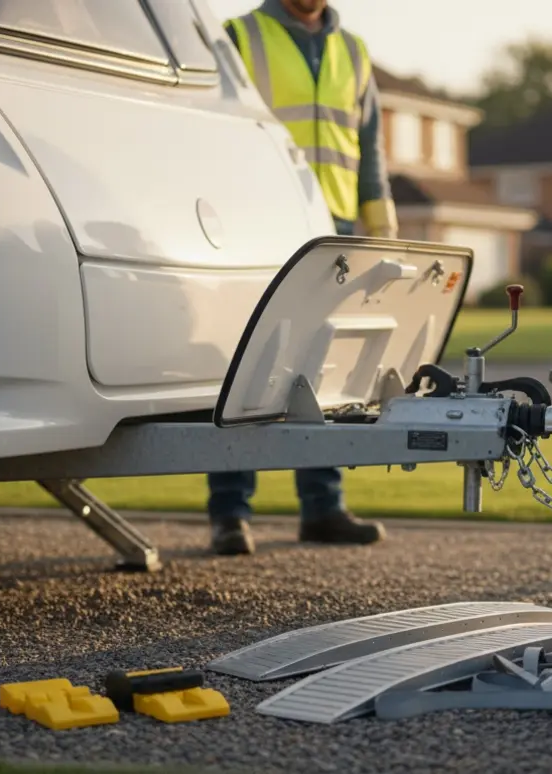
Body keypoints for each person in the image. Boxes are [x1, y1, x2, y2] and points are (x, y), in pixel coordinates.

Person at [207, 0, 397, 556]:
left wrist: (379, 234)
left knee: (326, 370)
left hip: (333, 229)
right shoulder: (239, 37)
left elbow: (369, 154)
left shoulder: (354, 52)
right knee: (246, 367)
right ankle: (229, 515)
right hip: (259, 219)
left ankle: (323, 508)